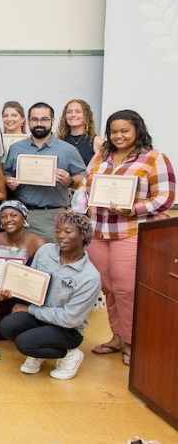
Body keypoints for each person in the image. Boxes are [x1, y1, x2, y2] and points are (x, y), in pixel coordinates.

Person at [84, 110, 175, 366]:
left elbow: (165, 197)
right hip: (99, 232)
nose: (119, 135)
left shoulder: (154, 158)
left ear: (137, 131)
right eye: (114, 131)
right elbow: (86, 186)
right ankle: (116, 337)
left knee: (126, 289)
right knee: (109, 288)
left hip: (131, 232)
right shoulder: (102, 155)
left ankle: (132, 342)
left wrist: (133, 208)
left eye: (125, 130)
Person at [0, 212, 101, 379]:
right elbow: (31, 286)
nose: (61, 236)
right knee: (7, 326)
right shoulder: (45, 251)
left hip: (68, 330)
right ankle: (39, 348)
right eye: (58, 231)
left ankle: (69, 355)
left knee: (24, 343)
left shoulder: (90, 277)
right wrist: (9, 292)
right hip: (42, 316)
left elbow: (70, 319)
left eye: (68, 232)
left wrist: (29, 309)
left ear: (83, 235)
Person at [3, 102, 86, 242]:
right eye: (35, 120)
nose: (39, 123)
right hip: (22, 214)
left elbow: (84, 178)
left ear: (52, 121)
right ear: (28, 121)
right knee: (23, 261)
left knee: (50, 259)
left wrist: (69, 181)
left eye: (44, 119)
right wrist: (9, 181)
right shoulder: (16, 148)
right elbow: (6, 173)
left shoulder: (68, 150)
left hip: (53, 216)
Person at [0, 201, 48, 335]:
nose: (8, 220)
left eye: (13, 215)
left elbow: (44, 279)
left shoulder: (38, 243)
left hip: (25, 295)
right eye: (3, 216)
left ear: (24, 218)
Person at [56, 99, 104, 166]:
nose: (73, 115)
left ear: (86, 115)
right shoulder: (59, 141)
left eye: (78, 112)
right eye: (69, 112)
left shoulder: (97, 142)